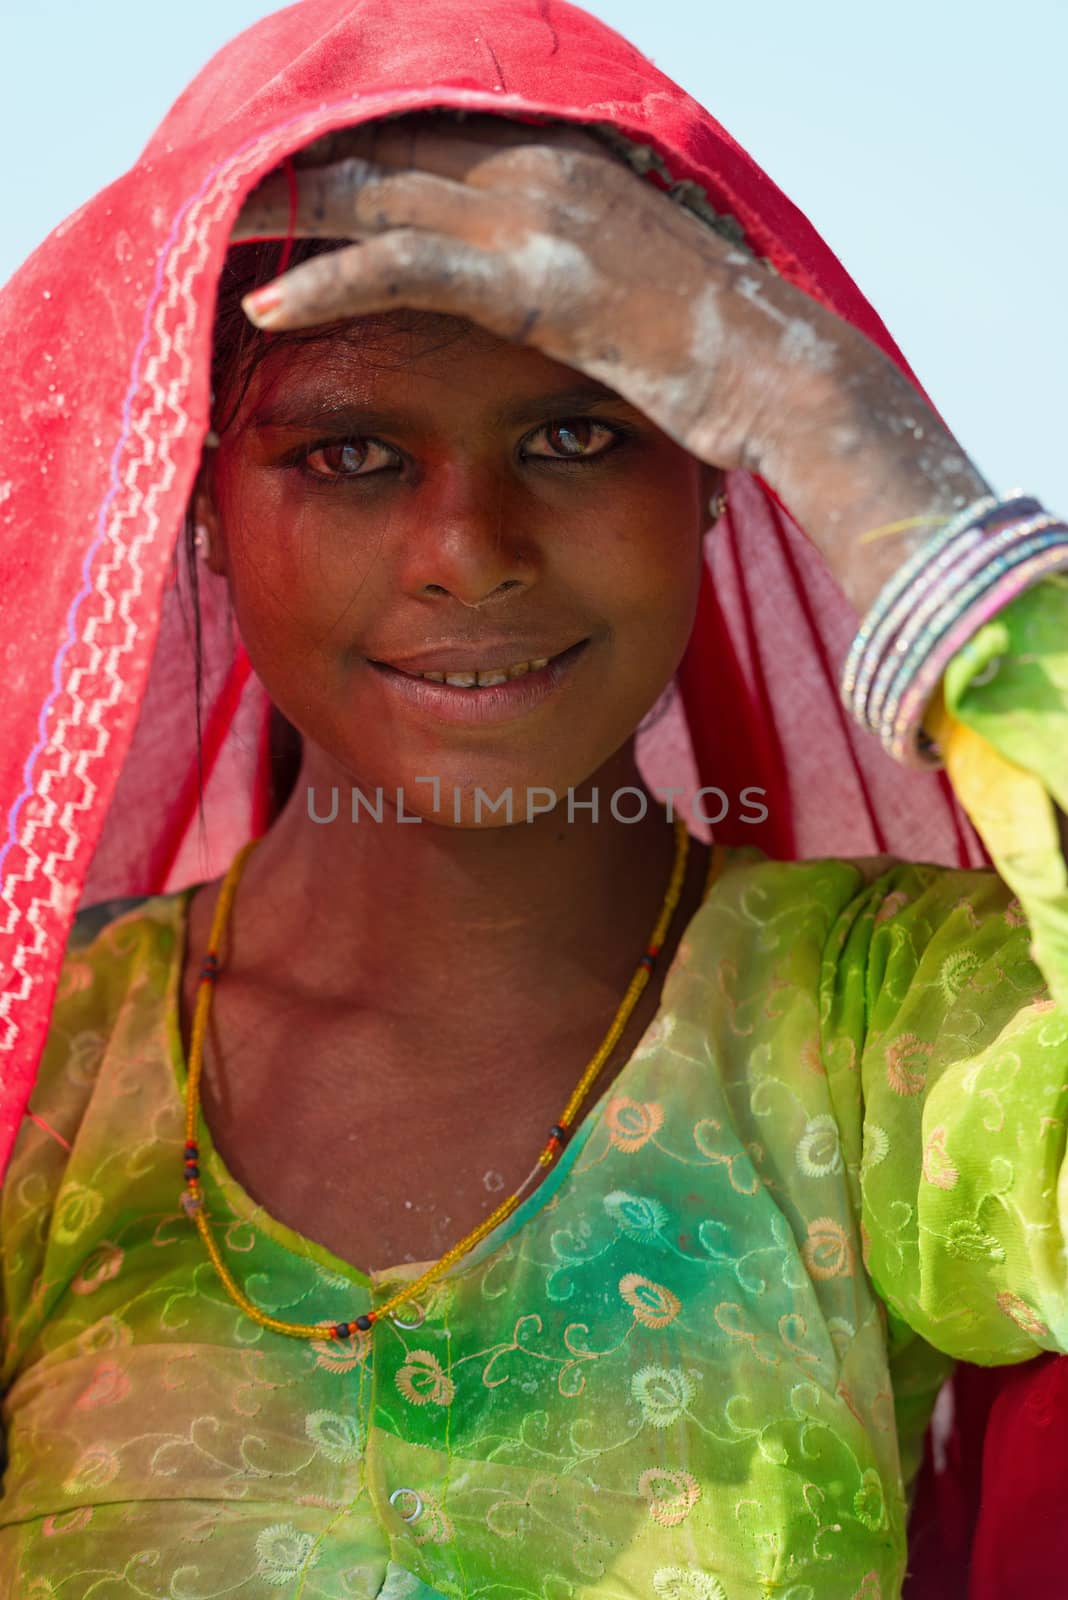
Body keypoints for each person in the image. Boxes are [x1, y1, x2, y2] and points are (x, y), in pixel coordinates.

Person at [0, 1, 1065, 1596]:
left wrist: (831, 423)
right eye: (352, 454)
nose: (469, 546)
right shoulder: (44, 1080)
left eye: (581, 431)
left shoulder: (880, 1031)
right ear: (197, 500)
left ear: (712, 471)